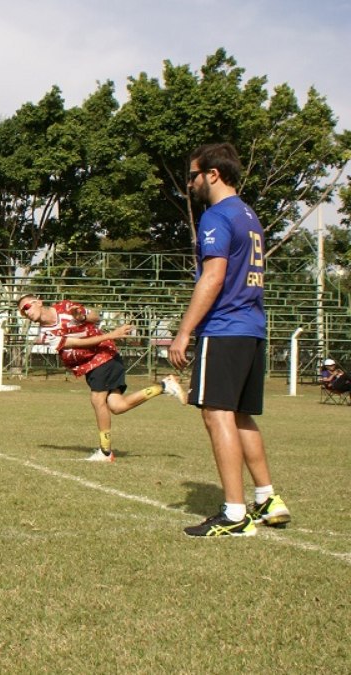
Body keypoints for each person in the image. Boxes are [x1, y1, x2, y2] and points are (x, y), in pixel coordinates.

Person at [169, 142, 290, 537]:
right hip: (252, 327)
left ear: (213, 175)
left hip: (224, 328)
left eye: (193, 175)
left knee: (216, 412)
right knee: (240, 415)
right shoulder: (249, 215)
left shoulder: (217, 216)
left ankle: (235, 514)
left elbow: (214, 276)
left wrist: (185, 331)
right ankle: (268, 498)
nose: (190, 183)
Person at [18, 294, 188, 462]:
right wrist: (111, 335)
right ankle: (164, 386)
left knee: (97, 399)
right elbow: (77, 344)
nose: (26, 313)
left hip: (103, 355)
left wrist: (84, 314)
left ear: (38, 301)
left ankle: (105, 452)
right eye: (22, 313)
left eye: (27, 307)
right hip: (91, 364)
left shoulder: (65, 307)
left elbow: (95, 316)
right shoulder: (46, 334)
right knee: (117, 406)